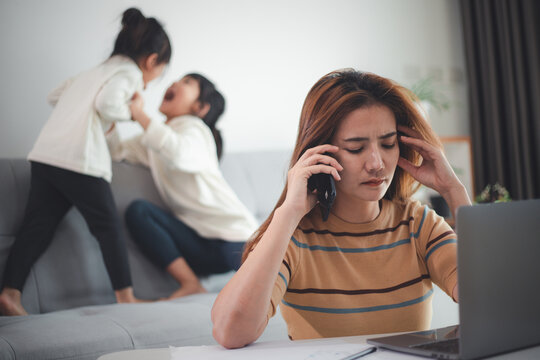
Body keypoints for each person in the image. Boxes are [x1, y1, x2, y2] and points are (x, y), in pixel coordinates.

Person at [211, 69, 472, 348]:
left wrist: (454, 191)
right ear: (321, 153)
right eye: (356, 148)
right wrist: (288, 214)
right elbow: (231, 332)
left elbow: (492, 301)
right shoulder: (295, 238)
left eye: (387, 144)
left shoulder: (418, 225)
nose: (376, 163)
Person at [0, 8, 171, 316]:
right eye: (160, 72)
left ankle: (10, 293)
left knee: (37, 226)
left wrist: (87, 112)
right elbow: (106, 103)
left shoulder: (95, 71)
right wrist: (132, 111)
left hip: (46, 154)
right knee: (108, 227)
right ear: (152, 61)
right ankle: (126, 297)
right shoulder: (130, 74)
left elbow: (55, 96)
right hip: (79, 160)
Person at [106, 73, 258, 299]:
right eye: (177, 79)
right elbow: (116, 151)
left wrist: (140, 114)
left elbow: (178, 153)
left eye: (187, 83)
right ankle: (190, 283)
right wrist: (112, 113)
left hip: (233, 236)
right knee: (139, 212)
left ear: (200, 107)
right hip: (197, 245)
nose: (175, 83)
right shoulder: (153, 138)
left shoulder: (196, 130)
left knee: (262, 287)